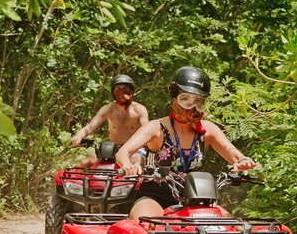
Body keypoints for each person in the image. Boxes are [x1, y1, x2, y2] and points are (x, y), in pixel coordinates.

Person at [115, 66, 257, 218]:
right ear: (174, 99)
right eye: (185, 99)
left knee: (231, 227)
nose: (192, 106)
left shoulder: (207, 130)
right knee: (143, 224)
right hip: (155, 195)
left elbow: (232, 152)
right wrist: (128, 166)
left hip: (196, 198)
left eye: (198, 101)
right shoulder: (157, 127)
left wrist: (244, 161)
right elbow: (123, 152)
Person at [69, 74, 149, 168]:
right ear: (113, 92)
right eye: (118, 88)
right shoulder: (108, 109)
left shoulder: (139, 110)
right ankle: (80, 182)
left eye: (125, 88)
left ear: (131, 91)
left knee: (136, 163)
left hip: (135, 150)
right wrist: (79, 136)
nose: (122, 92)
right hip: (112, 150)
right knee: (86, 162)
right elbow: (90, 127)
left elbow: (147, 130)